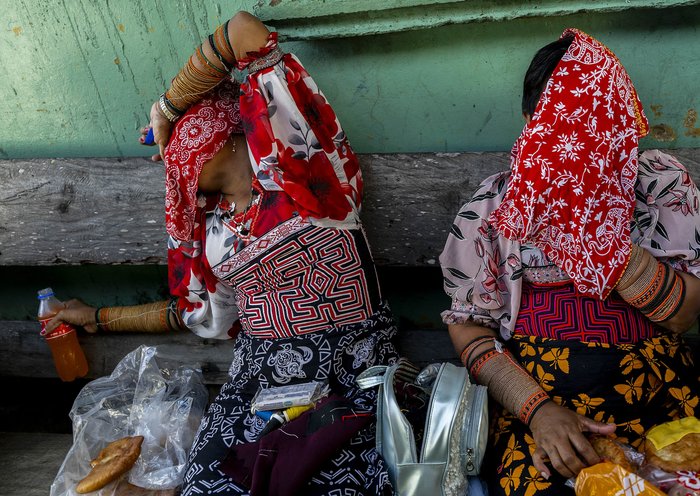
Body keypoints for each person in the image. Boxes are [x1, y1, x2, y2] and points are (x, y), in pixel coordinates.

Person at [44, 12, 398, 495]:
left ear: (226, 133)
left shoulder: (304, 171)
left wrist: (166, 108)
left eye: (183, 142)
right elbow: (195, 313)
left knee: (329, 481)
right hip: (256, 385)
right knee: (212, 483)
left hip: (347, 372)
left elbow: (244, 32)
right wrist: (97, 317)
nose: (171, 162)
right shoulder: (213, 232)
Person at [440, 28, 700, 495]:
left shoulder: (654, 184)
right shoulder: (494, 207)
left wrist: (599, 234)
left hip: (661, 397)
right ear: (529, 123)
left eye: (595, 124)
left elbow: (684, 315)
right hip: (544, 411)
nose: (579, 143)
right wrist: (538, 411)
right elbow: (469, 325)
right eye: (560, 127)